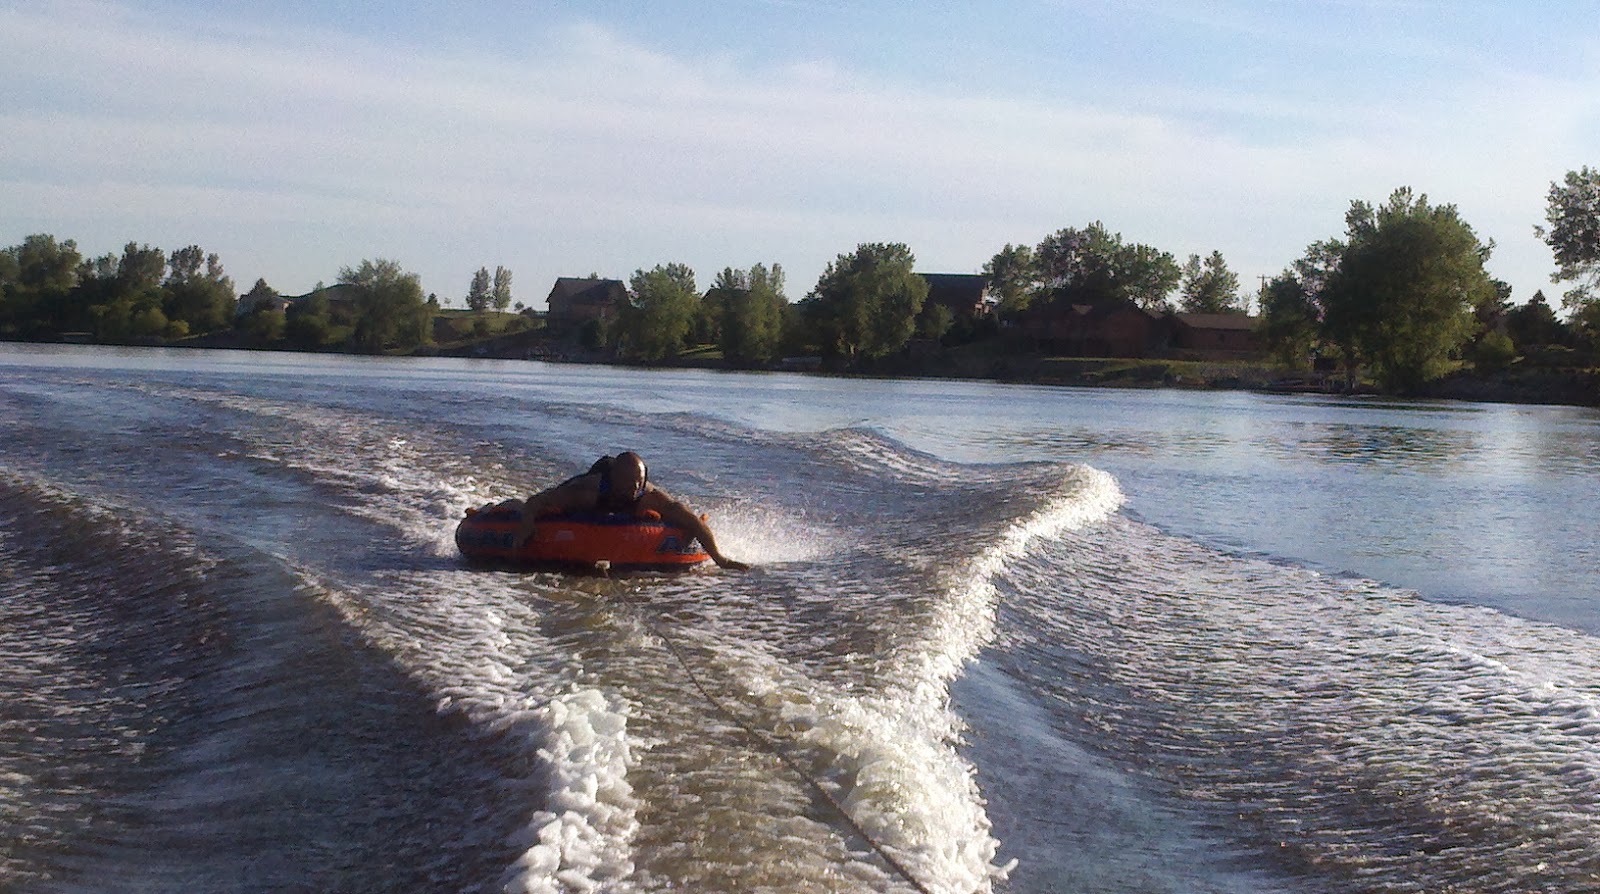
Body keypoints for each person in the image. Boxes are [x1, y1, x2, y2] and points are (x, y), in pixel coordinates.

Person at [510, 452, 749, 570]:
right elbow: (536, 501)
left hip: (625, 516)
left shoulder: (649, 496)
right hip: (588, 503)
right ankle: (495, 508)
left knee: (670, 511)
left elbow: (691, 520)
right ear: (614, 479)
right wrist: (524, 528)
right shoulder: (586, 491)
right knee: (521, 506)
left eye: (639, 482)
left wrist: (720, 559)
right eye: (628, 482)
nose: (634, 488)